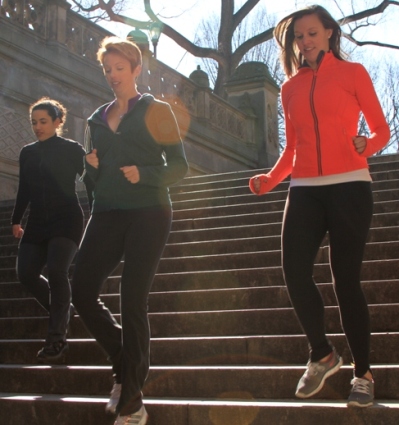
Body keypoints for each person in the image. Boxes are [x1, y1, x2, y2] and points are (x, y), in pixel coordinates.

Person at [249, 5, 390, 408]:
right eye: (299, 36)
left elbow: (381, 128)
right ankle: (322, 353)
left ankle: (362, 375)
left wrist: (369, 144)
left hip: (350, 185)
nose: (305, 41)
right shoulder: (289, 87)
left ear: (328, 33)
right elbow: (292, 148)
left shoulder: (353, 74)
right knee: (294, 271)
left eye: (312, 33)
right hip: (305, 187)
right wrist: (270, 180)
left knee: (345, 280)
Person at [71, 36, 188, 425]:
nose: (113, 76)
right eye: (108, 70)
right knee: (82, 288)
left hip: (149, 212)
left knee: (132, 296)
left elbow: (179, 167)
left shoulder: (157, 110)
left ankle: (132, 397)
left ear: (136, 70)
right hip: (107, 212)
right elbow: (92, 183)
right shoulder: (95, 120)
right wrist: (90, 166)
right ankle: (124, 359)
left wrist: (146, 173)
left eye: (120, 68)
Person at [11, 97, 93, 362]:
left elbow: (90, 180)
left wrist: (97, 209)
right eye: (34, 122)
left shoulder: (72, 149)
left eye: (43, 121)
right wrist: (16, 219)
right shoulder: (28, 152)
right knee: (25, 273)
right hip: (36, 221)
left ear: (58, 121)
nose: (37, 127)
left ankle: (56, 339)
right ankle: (62, 309)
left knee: (57, 270)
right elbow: (24, 188)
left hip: (67, 218)